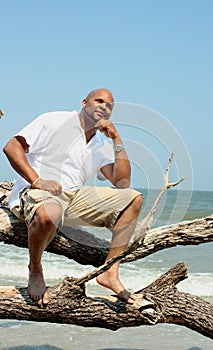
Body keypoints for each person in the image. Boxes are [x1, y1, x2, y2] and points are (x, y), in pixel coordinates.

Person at [3, 88, 143, 307]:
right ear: (85, 102)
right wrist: (37, 180)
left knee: (132, 199)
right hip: (39, 192)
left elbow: (122, 182)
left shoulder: (101, 143)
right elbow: (12, 147)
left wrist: (116, 138)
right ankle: (35, 270)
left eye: (109, 106)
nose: (104, 107)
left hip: (72, 197)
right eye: (99, 101)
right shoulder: (55, 120)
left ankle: (110, 273)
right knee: (51, 212)